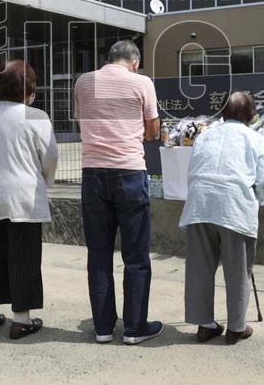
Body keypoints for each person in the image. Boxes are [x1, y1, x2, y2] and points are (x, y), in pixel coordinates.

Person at [74, 39, 162, 344]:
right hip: (129, 172)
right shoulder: (142, 82)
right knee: (135, 254)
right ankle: (135, 329)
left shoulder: (84, 82)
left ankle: (102, 329)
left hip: (93, 173)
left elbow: (81, 120)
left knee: (98, 254)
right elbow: (152, 131)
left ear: (109, 58)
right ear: (134, 61)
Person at [0, 60, 59, 340]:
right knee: (24, 256)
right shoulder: (36, 116)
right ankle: (21, 319)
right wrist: (47, 180)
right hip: (23, 196)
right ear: (29, 89)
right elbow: (51, 157)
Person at [179, 91, 264, 345]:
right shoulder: (254, 138)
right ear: (250, 116)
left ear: (223, 114)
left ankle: (205, 325)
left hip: (200, 204)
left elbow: (193, 170)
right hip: (234, 205)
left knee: (200, 267)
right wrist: (256, 199)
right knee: (237, 269)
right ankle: (236, 328)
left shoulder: (205, 136)